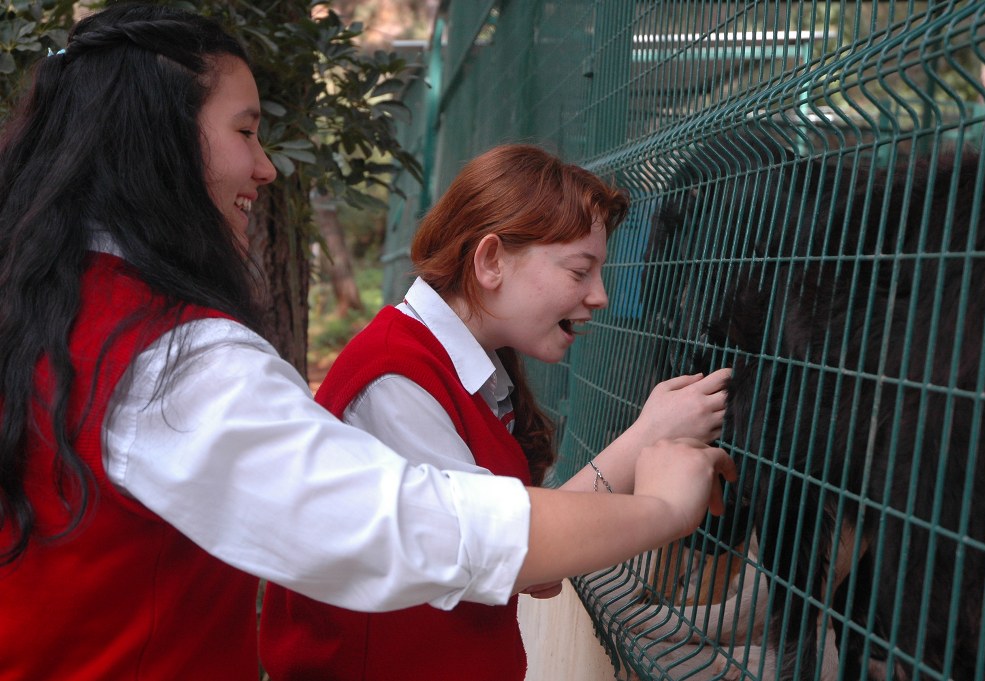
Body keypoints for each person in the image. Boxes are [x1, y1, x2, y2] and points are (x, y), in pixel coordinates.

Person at [0, 6, 735, 680]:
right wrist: (659, 506)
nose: (266, 165)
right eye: (246, 130)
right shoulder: (176, 357)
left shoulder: (59, 310)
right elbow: (422, 528)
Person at [259, 144, 733, 681]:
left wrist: (651, 433)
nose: (599, 295)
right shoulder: (395, 380)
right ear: (490, 261)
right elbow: (502, 550)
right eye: (581, 270)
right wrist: (662, 496)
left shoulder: (466, 367)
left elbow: (506, 542)